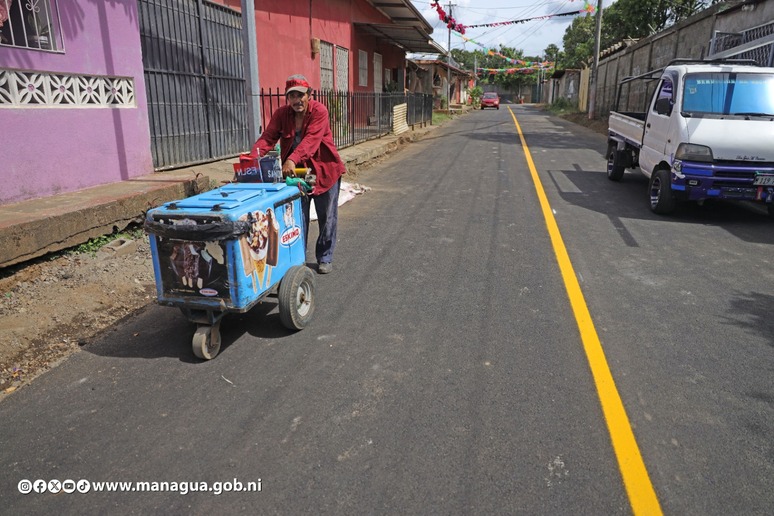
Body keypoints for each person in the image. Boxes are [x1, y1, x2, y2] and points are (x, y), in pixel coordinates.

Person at [251, 74, 346, 274]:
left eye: (300, 95)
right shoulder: (281, 115)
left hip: (324, 171)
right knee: (296, 219)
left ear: (309, 95)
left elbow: (311, 140)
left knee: (326, 217)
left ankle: (325, 257)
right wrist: (251, 159)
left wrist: (292, 159)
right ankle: (298, 259)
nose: (296, 100)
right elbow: (268, 138)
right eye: (292, 96)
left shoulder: (319, 111)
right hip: (297, 176)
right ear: (288, 98)